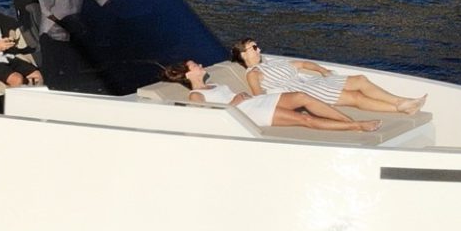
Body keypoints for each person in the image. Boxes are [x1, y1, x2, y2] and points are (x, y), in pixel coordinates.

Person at [163, 60, 378, 132]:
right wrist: (233, 103)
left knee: (302, 96)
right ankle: (356, 126)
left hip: (254, 102)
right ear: (188, 74)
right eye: (195, 65)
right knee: (304, 119)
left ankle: (348, 120)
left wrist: (239, 97)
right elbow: (204, 119)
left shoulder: (213, 84)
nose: (200, 65)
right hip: (249, 112)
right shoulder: (196, 95)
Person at [231, 38, 425, 114]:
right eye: (254, 47)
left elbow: (302, 64)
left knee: (360, 80)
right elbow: (259, 96)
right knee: (355, 98)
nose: (259, 49)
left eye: (257, 46)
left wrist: (322, 70)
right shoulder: (254, 73)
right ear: (244, 55)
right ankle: (399, 108)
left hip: (312, 81)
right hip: (305, 90)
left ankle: (401, 101)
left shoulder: (271, 62)